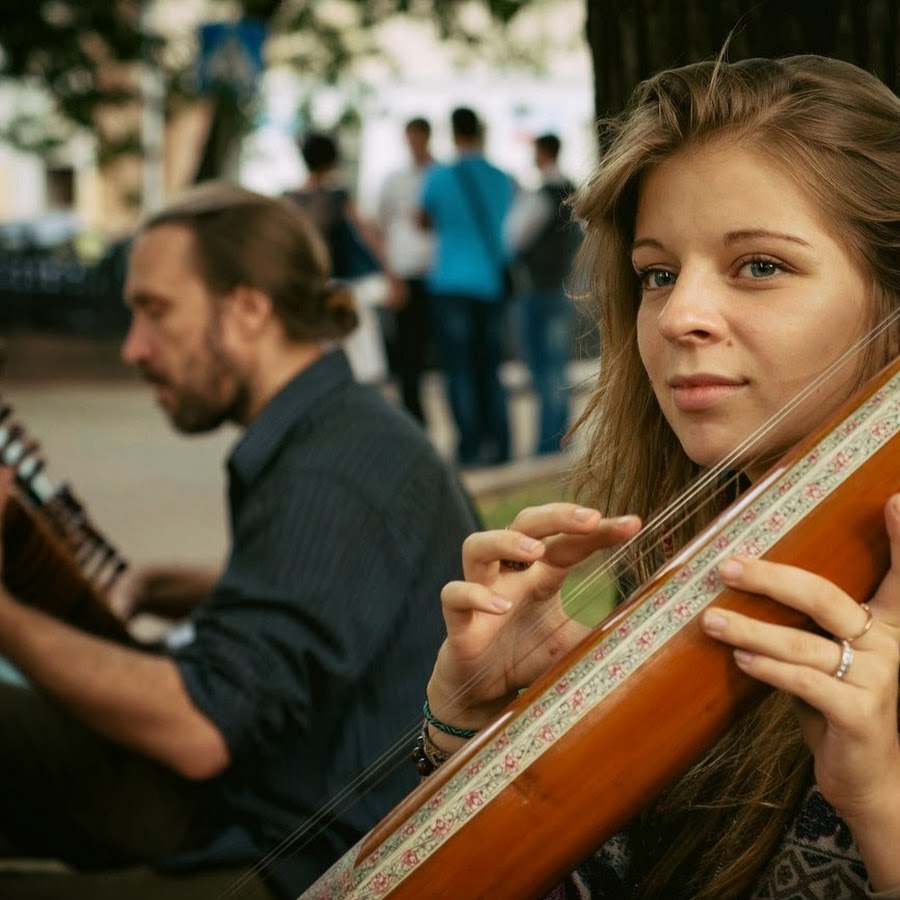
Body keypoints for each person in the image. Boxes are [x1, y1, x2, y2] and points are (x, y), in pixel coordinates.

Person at [422, 55, 900, 899]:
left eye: (759, 266)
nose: (679, 317)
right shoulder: (670, 547)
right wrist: (473, 734)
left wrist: (884, 805)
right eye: (657, 273)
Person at [0, 183, 478, 899]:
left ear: (249, 309)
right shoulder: (337, 432)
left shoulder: (332, 471)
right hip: (278, 808)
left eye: (154, 312)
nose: (133, 348)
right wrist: (181, 584)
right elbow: (326, 601)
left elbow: (201, 729)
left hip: (312, 867)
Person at [419, 106, 516, 467]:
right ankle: (501, 445)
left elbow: (422, 219)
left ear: (453, 133)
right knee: (490, 367)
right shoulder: (500, 177)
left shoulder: (439, 176)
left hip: (449, 282)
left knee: (459, 369)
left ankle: (471, 447)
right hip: (490, 282)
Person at [286, 131, 406, 385]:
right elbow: (369, 236)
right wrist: (391, 273)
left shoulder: (290, 201)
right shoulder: (338, 196)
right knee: (363, 360)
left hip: (309, 288)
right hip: (347, 288)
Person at [505, 132, 583, 455]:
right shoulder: (572, 191)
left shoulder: (542, 196)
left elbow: (514, 237)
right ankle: (560, 436)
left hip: (539, 287)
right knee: (556, 365)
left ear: (543, 153)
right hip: (561, 284)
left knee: (543, 368)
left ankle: (548, 442)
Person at [374, 117, 436, 425]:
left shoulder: (440, 176)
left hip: (437, 272)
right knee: (408, 353)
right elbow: (381, 225)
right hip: (406, 271)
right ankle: (415, 418)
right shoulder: (394, 180)